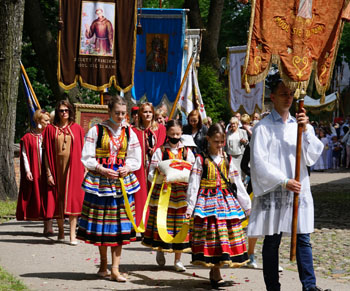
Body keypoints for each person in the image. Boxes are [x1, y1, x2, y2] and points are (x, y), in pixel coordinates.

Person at [247, 74, 327, 291]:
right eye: (283, 94)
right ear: (272, 96)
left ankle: (309, 286)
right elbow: (258, 163)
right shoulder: (262, 128)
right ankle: (273, 287)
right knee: (272, 241)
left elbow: (311, 156)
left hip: (298, 189)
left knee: (303, 238)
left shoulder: (298, 125)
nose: (288, 98)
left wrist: (307, 130)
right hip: (275, 190)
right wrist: (283, 181)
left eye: (291, 94)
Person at [77, 96, 141, 282]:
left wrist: (127, 167)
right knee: (103, 225)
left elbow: (135, 157)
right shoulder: (96, 130)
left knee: (120, 225)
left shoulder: (130, 132)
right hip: (100, 182)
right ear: (109, 112)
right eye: (117, 113)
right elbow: (86, 156)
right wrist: (100, 168)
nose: (120, 116)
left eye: (123, 113)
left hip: (121, 182)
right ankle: (103, 264)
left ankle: (115, 268)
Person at [186, 123, 251, 289]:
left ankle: (217, 270)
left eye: (222, 141)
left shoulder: (228, 160)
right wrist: (189, 207)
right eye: (216, 141)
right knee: (212, 237)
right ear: (208, 139)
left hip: (225, 202)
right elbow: (194, 184)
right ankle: (215, 272)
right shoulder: (201, 159)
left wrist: (247, 205)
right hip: (207, 202)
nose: (220, 145)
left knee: (225, 237)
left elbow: (237, 182)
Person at [142, 120, 195, 272]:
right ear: (167, 134)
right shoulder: (160, 151)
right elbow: (151, 173)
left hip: (181, 194)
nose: (175, 137)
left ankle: (178, 259)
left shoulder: (187, 152)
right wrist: (161, 177)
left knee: (179, 224)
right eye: (172, 134)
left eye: (178, 134)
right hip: (164, 193)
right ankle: (160, 249)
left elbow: (192, 169)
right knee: (163, 222)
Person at [43, 100, 85, 244]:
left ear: (71, 111)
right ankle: (61, 231)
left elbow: (83, 151)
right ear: (57, 112)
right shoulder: (50, 129)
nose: (64, 113)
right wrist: (48, 173)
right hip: (56, 168)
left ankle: (72, 234)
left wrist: (84, 170)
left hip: (73, 169)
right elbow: (46, 153)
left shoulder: (77, 128)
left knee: (73, 200)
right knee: (58, 199)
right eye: (61, 110)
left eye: (66, 110)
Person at [16, 109, 52, 234]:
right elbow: (24, 155)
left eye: (49, 120)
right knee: (39, 196)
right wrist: (28, 171)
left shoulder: (50, 135)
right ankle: (44, 223)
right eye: (46, 120)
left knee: (49, 197)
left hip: (49, 171)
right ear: (38, 121)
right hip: (36, 170)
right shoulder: (28, 137)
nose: (48, 123)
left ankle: (49, 225)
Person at [132, 103, 166, 225]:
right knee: (140, 195)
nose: (147, 114)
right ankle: (141, 223)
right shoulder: (134, 131)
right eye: (145, 112)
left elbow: (162, 145)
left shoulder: (160, 129)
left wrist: (155, 151)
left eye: (150, 112)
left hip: (154, 166)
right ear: (140, 114)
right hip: (140, 167)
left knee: (154, 193)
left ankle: (153, 224)